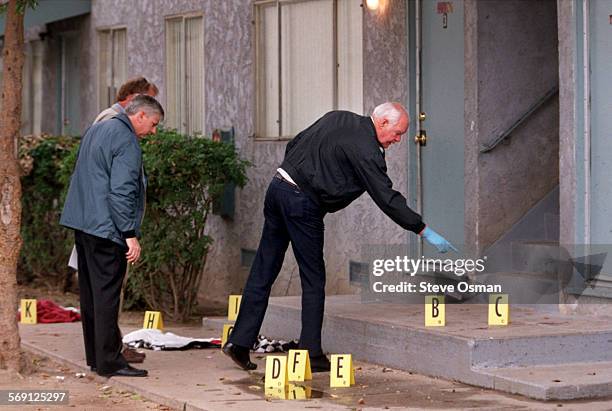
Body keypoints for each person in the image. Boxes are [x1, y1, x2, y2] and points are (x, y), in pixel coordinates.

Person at [223, 102, 456, 372]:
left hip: (278, 187)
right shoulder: (367, 150)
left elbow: (297, 143)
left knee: (263, 269)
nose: (398, 140)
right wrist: (423, 229)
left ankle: (239, 342)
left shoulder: (338, 117)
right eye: (398, 133)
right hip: (301, 203)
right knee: (313, 278)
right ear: (382, 123)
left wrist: (298, 175)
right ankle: (310, 352)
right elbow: (387, 198)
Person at [60, 95, 164, 377]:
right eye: (153, 124)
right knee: (107, 296)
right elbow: (121, 192)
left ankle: (97, 357)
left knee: (91, 295)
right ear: (140, 115)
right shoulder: (126, 139)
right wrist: (129, 234)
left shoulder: (98, 128)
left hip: (83, 225)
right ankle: (110, 361)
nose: (153, 132)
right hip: (107, 228)